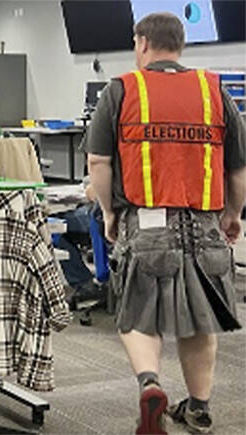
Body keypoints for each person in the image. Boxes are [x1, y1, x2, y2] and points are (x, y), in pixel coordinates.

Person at [84, 12, 246, 435]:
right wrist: (233, 214)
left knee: (138, 313)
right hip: (206, 221)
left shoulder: (120, 89)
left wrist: (108, 212)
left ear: (141, 43)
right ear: (181, 45)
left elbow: (98, 162)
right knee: (201, 317)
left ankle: (150, 383)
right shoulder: (214, 91)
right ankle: (199, 407)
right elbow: (238, 169)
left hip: (147, 220)